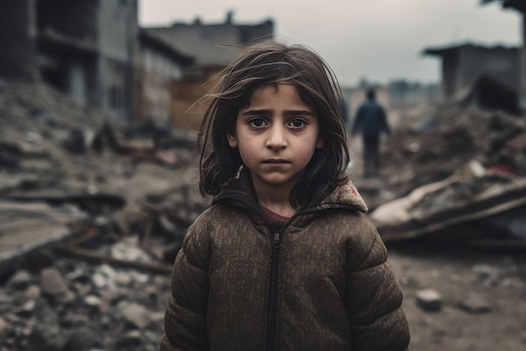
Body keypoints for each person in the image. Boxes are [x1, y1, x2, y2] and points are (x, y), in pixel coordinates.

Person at [159, 41, 409, 351]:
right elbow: (182, 339)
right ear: (232, 133)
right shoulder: (208, 235)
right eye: (258, 122)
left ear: (321, 135)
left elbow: (384, 340)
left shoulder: (354, 238)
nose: (276, 140)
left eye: (297, 123)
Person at [352, 88, 391, 178]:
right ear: (374, 96)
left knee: (367, 151)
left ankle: (367, 172)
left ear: (367, 95)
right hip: (375, 132)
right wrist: (387, 131)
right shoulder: (379, 106)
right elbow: (383, 121)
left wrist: (354, 130)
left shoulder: (363, 106)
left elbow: (358, 120)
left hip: (366, 132)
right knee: (375, 151)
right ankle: (376, 171)